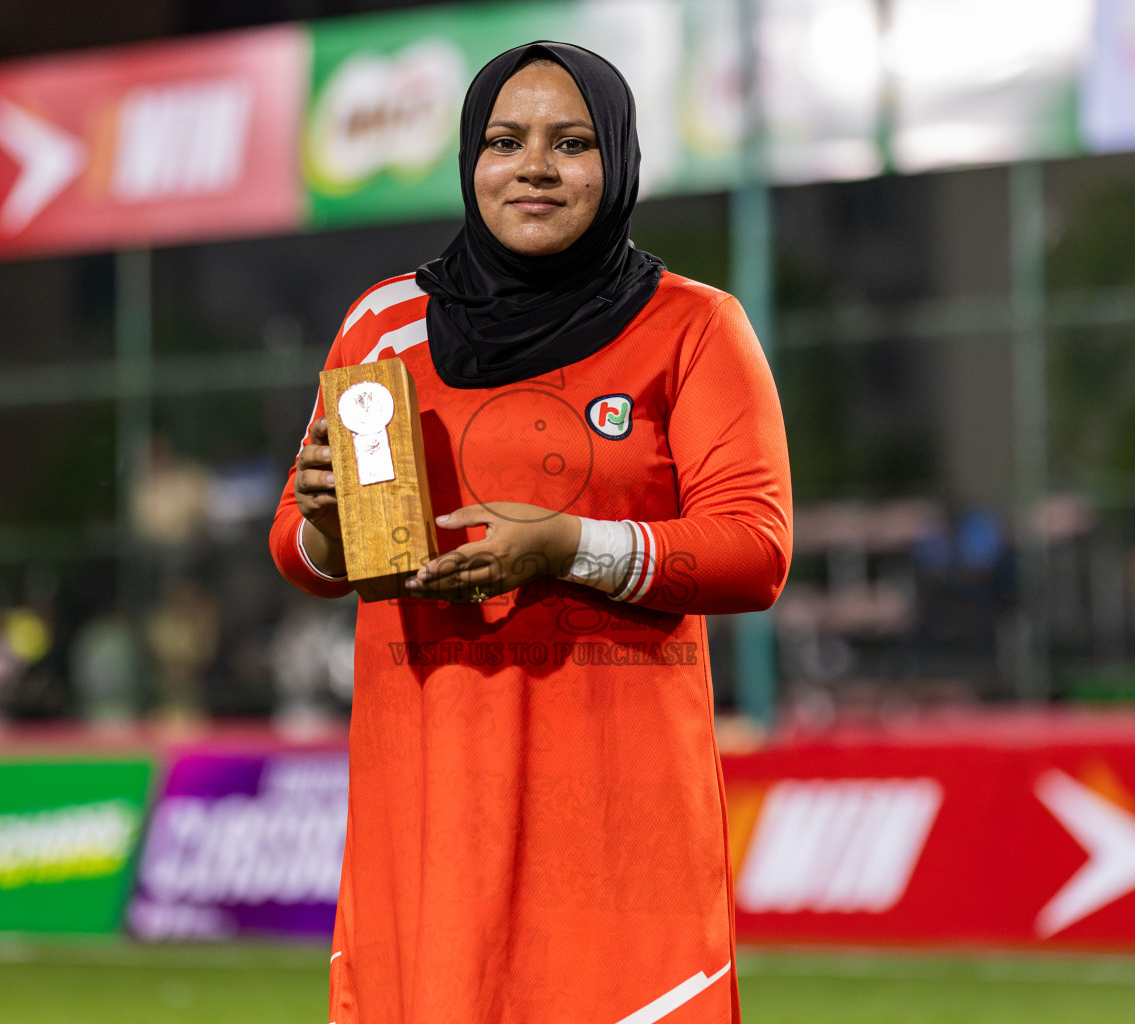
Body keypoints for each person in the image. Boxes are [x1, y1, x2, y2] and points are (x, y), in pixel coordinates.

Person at [270, 41, 791, 1024]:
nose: (535, 167)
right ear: (471, 160)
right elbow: (300, 554)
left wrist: (566, 546)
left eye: (572, 142)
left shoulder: (695, 327)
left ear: (621, 160)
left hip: (618, 829)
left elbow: (757, 550)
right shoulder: (382, 326)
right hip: (430, 825)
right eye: (505, 141)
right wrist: (330, 532)